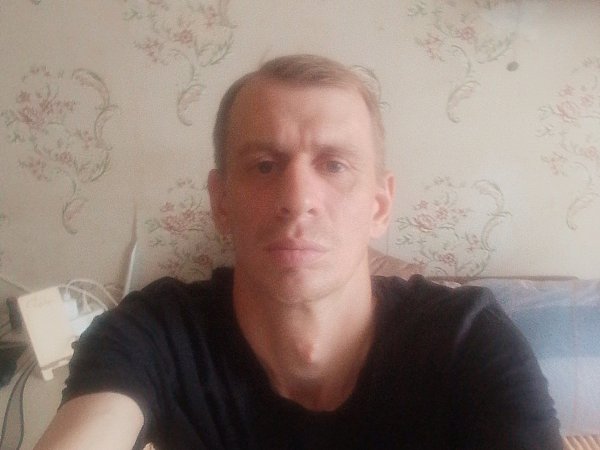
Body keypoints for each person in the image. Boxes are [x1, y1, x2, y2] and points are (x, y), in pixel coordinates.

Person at [35, 54, 562, 449]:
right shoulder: (155, 333)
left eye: (334, 165)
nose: (297, 199)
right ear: (221, 202)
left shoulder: (467, 340)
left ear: (379, 206)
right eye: (265, 165)